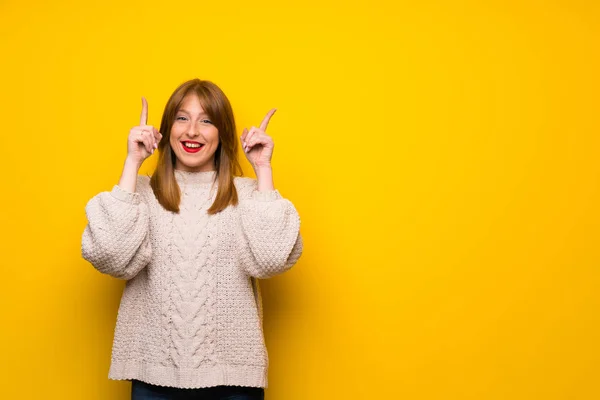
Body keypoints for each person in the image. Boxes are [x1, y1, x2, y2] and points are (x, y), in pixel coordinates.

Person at [81, 78, 303, 400]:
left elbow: (269, 259)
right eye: (182, 118)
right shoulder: (140, 193)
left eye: (207, 120)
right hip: (153, 378)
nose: (192, 131)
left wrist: (263, 169)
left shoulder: (248, 195)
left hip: (233, 381)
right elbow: (110, 256)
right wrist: (132, 162)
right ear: (166, 129)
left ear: (222, 133)